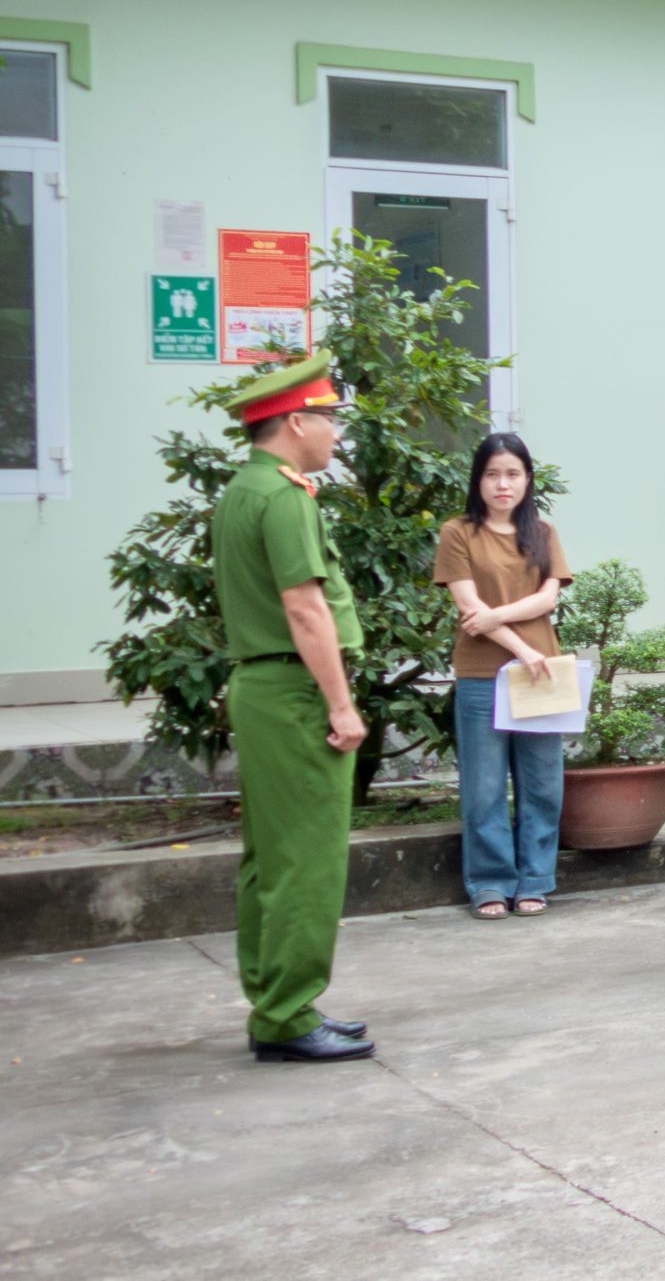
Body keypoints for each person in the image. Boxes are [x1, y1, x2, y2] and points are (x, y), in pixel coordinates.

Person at [209, 353, 373, 1062]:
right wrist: (341, 705)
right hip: (293, 692)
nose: (335, 431)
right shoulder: (283, 497)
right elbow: (306, 609)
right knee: (306, 856)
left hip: (263, 686)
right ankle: (286, 1012)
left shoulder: (245, 489)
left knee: (270, 857)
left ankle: (275, 999)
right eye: (330, 417)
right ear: (296, 420)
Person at [433, 434, 573, 920]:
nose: (502, 484)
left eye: (512, 473)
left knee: (542, 784)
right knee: (485, 787)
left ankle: (534, 880)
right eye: (492, 474)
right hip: (481, 674)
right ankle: (490, 883)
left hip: (542, 675)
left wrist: (497, 620)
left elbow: (548, 598)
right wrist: (518, 647)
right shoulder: (458, 533)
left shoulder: (543, 533)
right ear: (478, 480)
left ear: (527, 479)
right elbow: (467, 606)